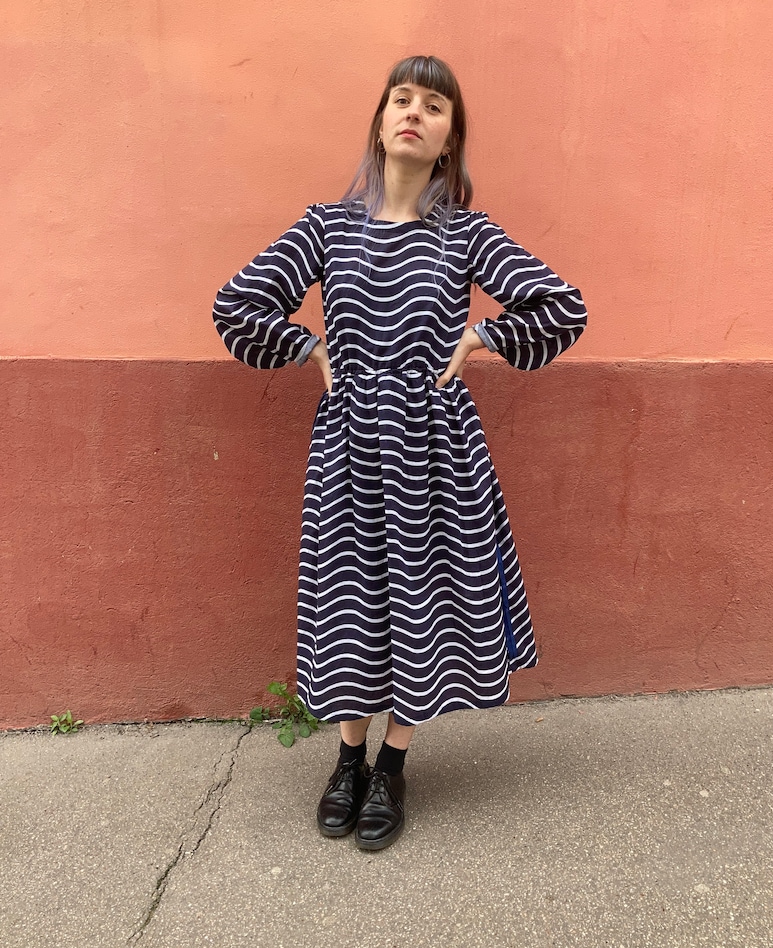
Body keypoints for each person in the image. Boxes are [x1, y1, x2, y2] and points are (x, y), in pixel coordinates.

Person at [213, 55, 587, 852]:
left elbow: (563, 306)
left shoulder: (465, 233)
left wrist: (484, 333)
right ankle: (347, 757)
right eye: (401, 99)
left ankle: (394, 762)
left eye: (436, 106)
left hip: (435, 446)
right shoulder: (327, 225)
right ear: (380, 121)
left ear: (450, 139)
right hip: (349, 444)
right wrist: (305, 343)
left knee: (421, 592)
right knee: (351, 596)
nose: (415, 113)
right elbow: (236, 304)